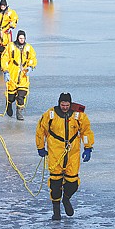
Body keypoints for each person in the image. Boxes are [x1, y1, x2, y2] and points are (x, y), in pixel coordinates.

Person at [35, 92, 94, 220]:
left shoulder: (79, 115)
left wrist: (88, 147)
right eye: (63, 104)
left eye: (67, 105)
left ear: (70, 104)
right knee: (55, 185)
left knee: (72, 183)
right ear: (59, 103)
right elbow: (41, 130)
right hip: (55, 153)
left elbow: (85, 132)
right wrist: (40, 147)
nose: (65, 107)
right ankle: (56, 211)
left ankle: (66, 199)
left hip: (72, 153)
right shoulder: (50, 115)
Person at [1, 30, 37, 120]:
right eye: (20, 38)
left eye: (23, 38)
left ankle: (19, 113)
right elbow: (4, 58)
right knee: (11, 95)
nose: (22, 40)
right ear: (17, 38)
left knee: (22, 95)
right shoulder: (10, 46)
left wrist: (31, 67)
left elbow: (32, 58)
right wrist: (5, 71)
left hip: (23, 76)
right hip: (12, 74)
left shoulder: (28, 47)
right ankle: (9, 104)